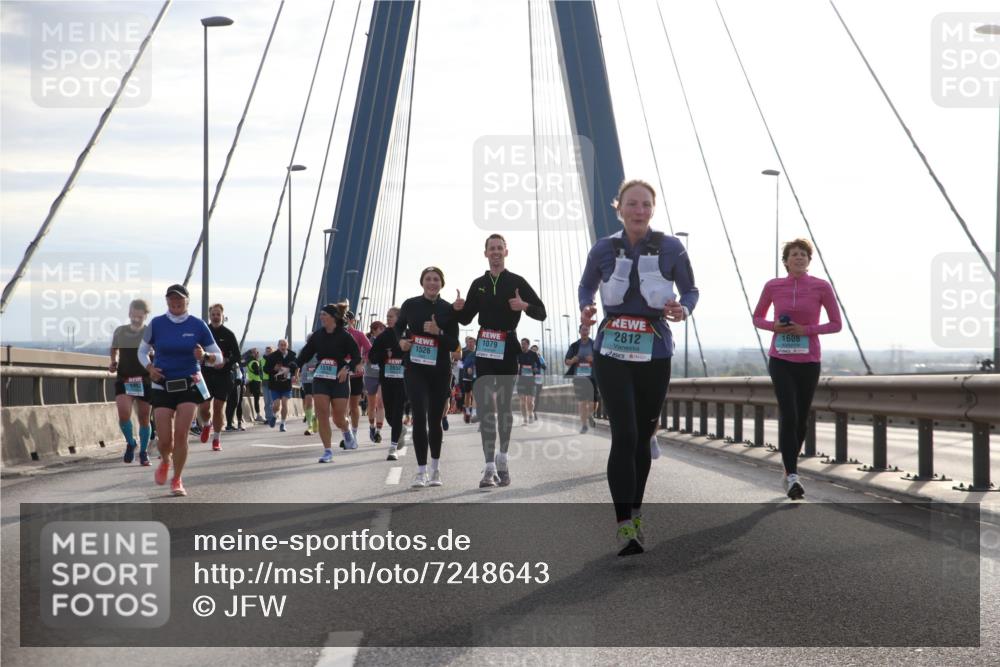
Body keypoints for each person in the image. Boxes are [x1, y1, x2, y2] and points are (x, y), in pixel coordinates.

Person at [579, 179, 698, 556]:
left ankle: (636, 511)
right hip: (612, 350)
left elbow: (691, 290)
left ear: (653, 208)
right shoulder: (603, 248)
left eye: (646, 204)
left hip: (654, 351)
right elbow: (586, 286)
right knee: (625, 435)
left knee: (643, 436)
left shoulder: (671, 247)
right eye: (632, 204)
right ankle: (624, 526)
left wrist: (683, 309)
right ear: (620, 208)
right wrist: (586, 306)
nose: (639, 211)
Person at [448, 234, 546, 490]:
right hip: (485, 349)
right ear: (485, 253)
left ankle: (503, 460)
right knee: (486, 408)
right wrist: (457, 308)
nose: (495, 252)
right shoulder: (478, 283)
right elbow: (467, 319)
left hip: (507, 350)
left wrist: (524, 305)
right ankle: (489, 466)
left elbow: (541, 311)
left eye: (499, 248)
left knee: (502, 408)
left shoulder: (516, 281)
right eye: (491, 249)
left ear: (506, 252)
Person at [753, 238, 842, 500]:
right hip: (780, 359)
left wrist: (807, 330)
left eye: (804, 254)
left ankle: (787, 468)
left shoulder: (821, 287)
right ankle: (792, 476)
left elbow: (836, 324)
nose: (799, 258)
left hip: (809, 360)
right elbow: (757, 317)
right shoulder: (773, 286)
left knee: (801, 418)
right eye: (794, 254)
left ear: (809, 260)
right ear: (786, 260)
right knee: (789, 414)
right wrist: (774, 327)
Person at [138, 284, 225, 496]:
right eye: (171, 299)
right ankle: (165, 460)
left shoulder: (198, 325)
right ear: (167, 301)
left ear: (187, 301)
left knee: (181, 434)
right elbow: (142, 352)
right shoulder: (156, 324)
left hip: (188, 384)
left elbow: (219, 357)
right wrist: (150, 368)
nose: (175, 303)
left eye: (179, 299)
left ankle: (177, 479)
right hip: (162, 385)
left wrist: (204, 357)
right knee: (165, 439)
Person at [395, 267, 460, 488]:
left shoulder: (447, 309)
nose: (432, 283)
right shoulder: (410, 305)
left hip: (440, 370)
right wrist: (401, 342)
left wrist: (437, 332)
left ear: (442, 283)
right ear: (422, 282)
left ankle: (435, 469)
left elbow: (454, 344)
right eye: (428, 279)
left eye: (436, 279)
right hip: (415, 369)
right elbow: (398, 328)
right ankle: (420, 471)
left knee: (434, 420)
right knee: (419, 418)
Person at [295, 303, 362, 462]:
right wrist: (294, 367)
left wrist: (347, 368)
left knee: (338, 418)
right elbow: (305, 354)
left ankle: (346, 431)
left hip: (340, 378)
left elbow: (356, 357)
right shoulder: (318, 335)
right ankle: (327, 451)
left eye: (324, 314)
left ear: (333, 317)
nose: (321, 317)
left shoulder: (345, 335)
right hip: (321, 378)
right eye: (321, 314)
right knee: (322, 414)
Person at [109, 299, 153, 465]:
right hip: (124, 378)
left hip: (144, 379)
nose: (135, 319)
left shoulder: (150, 332)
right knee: (123, 413)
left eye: (139, 317)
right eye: (133, 316)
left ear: (145, 316)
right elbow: (114, 348)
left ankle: (143, 451)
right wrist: (113, 361)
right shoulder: (120, 331)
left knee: (143, 418)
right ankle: (131, 442)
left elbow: (158, 350)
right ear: (129, 314)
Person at [197, 303, 240, 451]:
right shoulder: (204, 332)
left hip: (223, 375)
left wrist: (225, 362)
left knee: (218, 407)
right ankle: (207, 424)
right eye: (213, 314)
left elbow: (237, 356)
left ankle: (216, 439)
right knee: (204, 407)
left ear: (222, 316)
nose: (215, 317)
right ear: (210, 316)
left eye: (218, 314)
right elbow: (196, 351)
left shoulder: (229, 334)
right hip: (206, 374)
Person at [370, 307, 408, 460]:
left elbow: (415, 352)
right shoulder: (383, 336)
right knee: (390, 416)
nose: (388, 319)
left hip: (403, 380)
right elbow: (372, 356)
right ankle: (401, 429)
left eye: (391, 316)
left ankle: (392, 448)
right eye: (387, 316)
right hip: (386, 379)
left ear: (399, 318)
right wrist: (385, 354)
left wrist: (404, 356)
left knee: (398, 411)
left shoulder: (407, 334)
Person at [343, 310, 373, 446]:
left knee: (354, 406)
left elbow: (370, 350)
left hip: (355, 375)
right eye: (344, 319)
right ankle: (347, 433)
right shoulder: (336, 334)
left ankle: (353, 434)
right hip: (340, 374)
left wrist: (361, 362)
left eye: (349, 319)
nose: (346, 321)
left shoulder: (359, 334)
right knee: (341, 408)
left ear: (353, 321)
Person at [565, 324, 600, 434]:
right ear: (579, 331)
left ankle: (590, 415)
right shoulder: (574, 346)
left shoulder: (595, 344)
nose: (585, 331)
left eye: (586, 329)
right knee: (582, 402)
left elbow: (602, 360)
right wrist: (572, 361)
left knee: (594, 402)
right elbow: (566, 361)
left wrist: (593, 359)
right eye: (583, 330)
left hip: (592, 377)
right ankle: (584, 425)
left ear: (589, 331)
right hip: (579, 378)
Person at [263, 340, 297, 431]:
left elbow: (296, 367)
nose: (283, 347)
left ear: (287, 346)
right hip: (275, 385)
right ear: (278, 346)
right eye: (281, 345)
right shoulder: (272, 356)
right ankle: (274, 416)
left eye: (284, 345)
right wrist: (274, 369)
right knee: (277, 405)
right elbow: (265, 369)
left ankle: (283, 423)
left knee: (285, 404)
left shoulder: (292, 356)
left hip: (286, 385)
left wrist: (293, 375)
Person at [364, 321, 387, 443]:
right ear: (374, 330)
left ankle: (378, 431)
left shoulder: (386, 341)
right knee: (371, 404)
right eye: (380, 329)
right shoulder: (368, 341)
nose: (382, 331)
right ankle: (372, 426)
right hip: (370, 375)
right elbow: (366, 357)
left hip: (382, 375)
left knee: (380, 403)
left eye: (383, 329)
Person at [515, 338, 542, 425]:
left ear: (528, 345)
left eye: (524, 344)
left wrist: (535, 368)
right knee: (523, 401)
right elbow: (514, 364)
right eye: (521, 343)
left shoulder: (533, 354)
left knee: (530, 401)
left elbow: (539, 365)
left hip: (531, 380)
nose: (522, 345)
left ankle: (530, 414)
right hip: (521, 380)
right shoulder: (518, 354)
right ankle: (525, 419)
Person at [300, 343, 319, 436]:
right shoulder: (304, 350)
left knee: (319, 401)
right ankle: (310, 425)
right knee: (308, 400)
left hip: (319, 375)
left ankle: (315, 417)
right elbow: (299, 362)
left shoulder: (322, 349)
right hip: (307, 377)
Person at [224, 358, 246, 431]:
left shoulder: (238, 361)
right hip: (230, 385)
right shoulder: (227, 361)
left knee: (237, 404)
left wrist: (243, 383)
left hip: (238, 385)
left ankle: (236, 424)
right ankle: (229, 424)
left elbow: (241, 373)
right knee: (230, 404)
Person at [460, 336, 477, 423]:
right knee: (467, 395)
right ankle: (467, 411)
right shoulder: (464, 352)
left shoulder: (478, 353)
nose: (470, 344)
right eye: (469, 342)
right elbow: (460, 364)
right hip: (466, 377)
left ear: (475, 343)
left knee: (475, 395)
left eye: (472, 342)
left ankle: (474, 413)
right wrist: (466, 368)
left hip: (475, 377)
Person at [245, 348, 264, 422]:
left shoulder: (250, 362)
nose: (257, 354)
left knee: (256, 399)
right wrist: (261, 369)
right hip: (256, 382)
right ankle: (258, 415)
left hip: (252, 381)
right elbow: (257, 372)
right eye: (256, 353)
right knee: (256, 399)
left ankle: (257, 414)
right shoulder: (255, 363)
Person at [530, 344, 545, 421]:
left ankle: (534, 412)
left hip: (539, 380)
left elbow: (544, 367)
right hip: (530, 380)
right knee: (531, 397)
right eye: (533, 350)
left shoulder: (539, 357)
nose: (535, 351)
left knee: (537, 398)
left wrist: (540, 359)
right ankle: (530, 412)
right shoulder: (528, 357)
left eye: (536, 350)